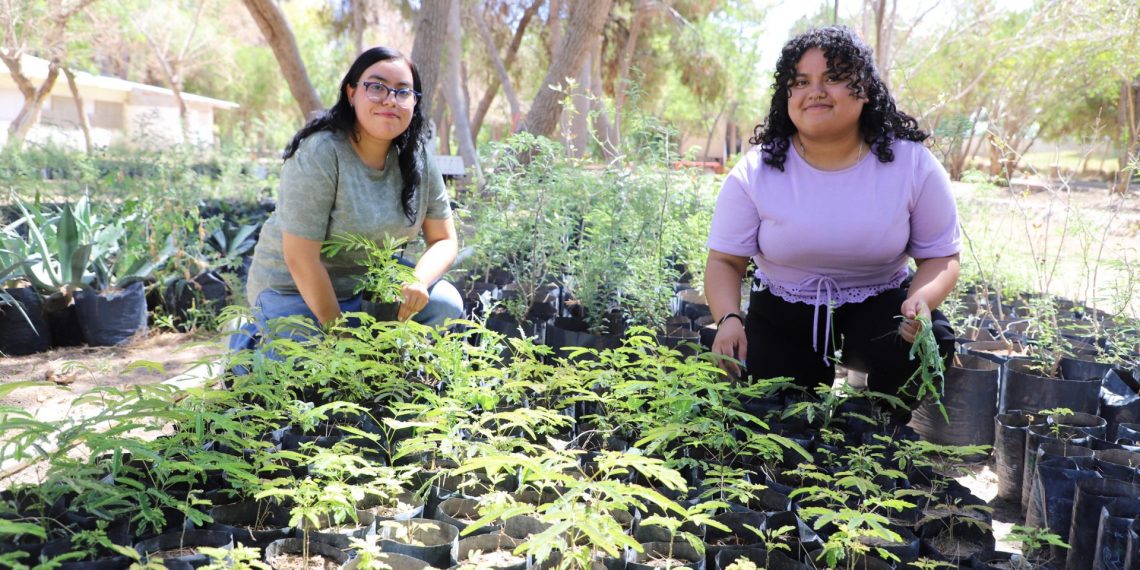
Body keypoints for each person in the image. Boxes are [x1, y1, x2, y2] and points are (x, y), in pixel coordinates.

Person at [704, 26, 960, 414]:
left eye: (834, 78)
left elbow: (940, 258)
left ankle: (879, 426)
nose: (816, 91)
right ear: (786, 95)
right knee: (782, 418)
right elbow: (724, 261)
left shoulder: (911, 164)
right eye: (801, 81)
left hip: (880, 303)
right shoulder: (756, 171)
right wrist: (728, 318)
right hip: (784, 309)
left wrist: (920, 304)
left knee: (933, 338)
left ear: (866, 89)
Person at [235, 46, 463, 349]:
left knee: (445, 305)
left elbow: (444, 240)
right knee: (303, 368)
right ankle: (245, 345)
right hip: (295, 291)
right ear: (352, 93)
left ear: (414, 103)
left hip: (371, 292)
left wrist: (417, 283)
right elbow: (300, 257)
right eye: (376, 87)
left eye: (403, 92)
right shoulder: (322, 153)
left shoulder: (418, 157)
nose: (390, 100)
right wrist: (339, 335)